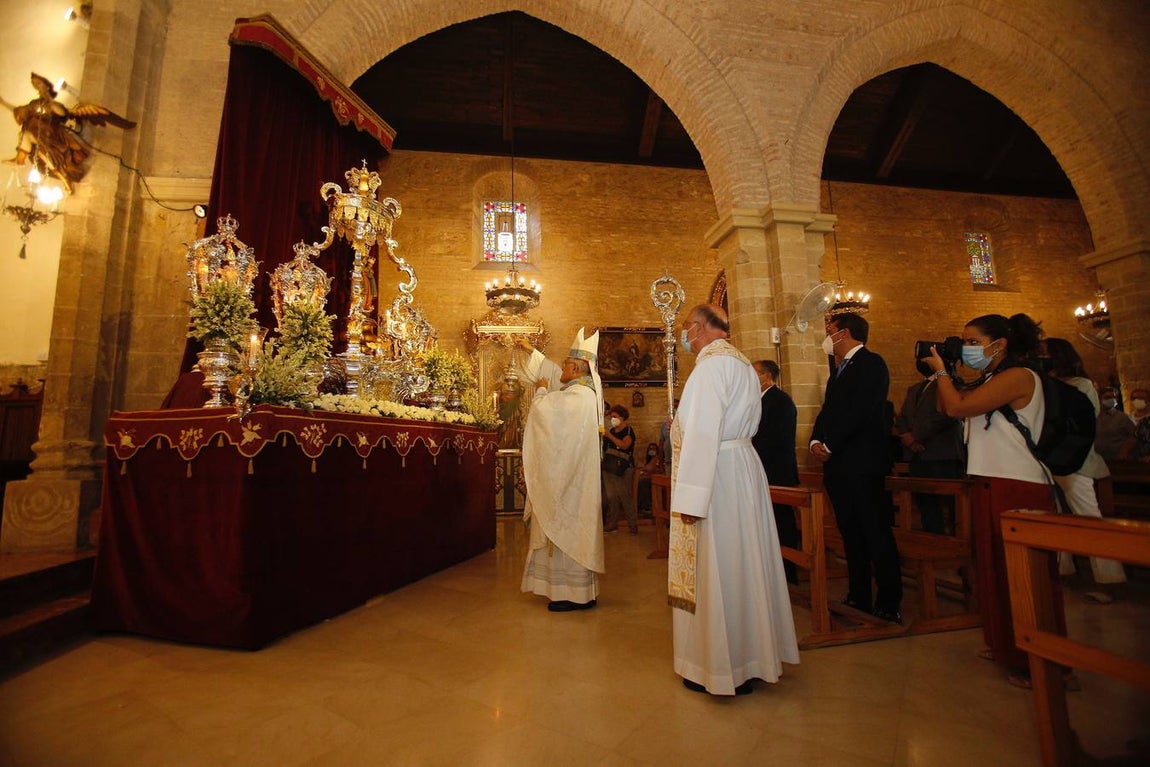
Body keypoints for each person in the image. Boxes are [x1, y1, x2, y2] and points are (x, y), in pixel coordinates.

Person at [923, 313, 1067, 686]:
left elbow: (958, 408)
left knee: (1026, 578)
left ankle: (1042, 662)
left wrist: (942, 372)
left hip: (1019, 483)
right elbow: (945, 407)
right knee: (994, 571)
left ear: (999, 344)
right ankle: (1006, 645)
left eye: (972, 342)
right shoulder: (989, 379)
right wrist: (945, 373)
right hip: (989, 480)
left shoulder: (1019, 376)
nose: (966, 348)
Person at [669, 304, 799, 696]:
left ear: (699, 327)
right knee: (745, 562)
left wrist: (690, 500)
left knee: (720, 566)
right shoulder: (743, 365)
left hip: (716, 474)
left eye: (688, 328)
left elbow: (702, 434)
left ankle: (719, 667)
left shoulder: (710, 368)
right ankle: (752, 658)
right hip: (741, 468)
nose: (686, 336)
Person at [810, 312, 902, 623]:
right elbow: (828, 411)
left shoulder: (871, 363)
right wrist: (815, 440)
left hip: (863, 463)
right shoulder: (838, 370)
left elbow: (862, 411)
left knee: (875, 531)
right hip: (839, 466)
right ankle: (859, 594)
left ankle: (889, 601)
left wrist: (831, 444)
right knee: (850, 533)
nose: (827, 337)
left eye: (830, 331)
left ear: (845, 333)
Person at [520, 328, 606, 612]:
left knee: (566, 530)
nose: (562, 369)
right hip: (576, 479)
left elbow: (544, 413)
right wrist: (531, 351)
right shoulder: (583, 394)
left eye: (567, 364)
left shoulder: (578, 397)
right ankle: (582, 593)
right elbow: (554, 376)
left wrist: (541, 390)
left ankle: (570, 594)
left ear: (578, 369)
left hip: (568, 484)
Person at [1044, 338, 1125, 602]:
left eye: (1045, 354)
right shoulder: (1047, 384)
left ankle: (1109, 580)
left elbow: (1083, 422)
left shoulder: (1082, 385)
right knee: (1055, 517)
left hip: (1076, 459)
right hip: (1049, 459)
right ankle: (1063, 571)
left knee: (1089, 518)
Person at [893, 358, 966, 534]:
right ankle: (933, 539)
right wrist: (906, 437)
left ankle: (956, 541)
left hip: (942, 454)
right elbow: (902, 417)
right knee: (926, 506)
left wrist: (916, 437)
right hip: (918, 457)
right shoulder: (915, 389)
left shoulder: (951, 384)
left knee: (953, 506)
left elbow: (945, 416)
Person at [751, 359, 801, 583]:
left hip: (777, 471)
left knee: (782, 520)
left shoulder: (780, 401)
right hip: (764, 470)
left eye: (754, 373)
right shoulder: (759, 400)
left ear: (767, 376)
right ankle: (771, 568)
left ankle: (788, 571)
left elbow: (775, 438)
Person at [603, 404, 638, 534]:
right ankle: (612, 524)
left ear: (622, 418)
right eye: (611, 416)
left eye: (614, 416)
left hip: (623, 468)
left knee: (625, 496)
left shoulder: (628, 431)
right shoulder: (612, 431)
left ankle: (632, 525)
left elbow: (624, 445)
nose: (612, 419)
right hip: (609, 466)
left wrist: (609, 436)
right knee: (611, 497)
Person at [1094, 386, 1135, 463]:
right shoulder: (1093, 415)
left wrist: (1125, 450)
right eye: (1107, 397)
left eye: (1114, 397)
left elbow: (1133, 436)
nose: (1111, 400)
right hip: (1097, 459)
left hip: (1117, 459)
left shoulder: (1122, 417)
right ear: (1099, 398)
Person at [635, 442, 665, 517]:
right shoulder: (649, 460)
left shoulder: (657, 459)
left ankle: (647, 507)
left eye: (653, 449)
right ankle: (640, 507)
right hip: (648, 479)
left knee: (642, 483)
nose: (651, 450)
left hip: (655, 480)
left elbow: (656, 470)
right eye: (650, 449)